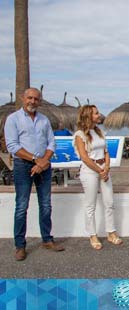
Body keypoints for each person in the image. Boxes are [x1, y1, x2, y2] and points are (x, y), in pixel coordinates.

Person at [4, 88, 64, 261]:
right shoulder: (13, 119)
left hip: (43, 166)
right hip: (23, 166)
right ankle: (20, 245)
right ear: (23, 98)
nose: (32, 101)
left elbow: (51, 143)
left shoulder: (44, 120)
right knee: (22, 206)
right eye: (29, 98)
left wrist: (43, 161)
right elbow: (13, 146)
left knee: (46, 204)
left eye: (36, 99)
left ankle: (47, 239)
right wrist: (35, 160)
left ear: (40, 101)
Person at [74, 105, 121, 250]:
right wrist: (100, 171)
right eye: (96, 113)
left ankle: (111, 232)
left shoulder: (99, 132)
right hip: (90, 171)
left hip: (103, 170)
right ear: (88, 116)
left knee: (109, 202)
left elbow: (106, 152)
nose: (99, 115)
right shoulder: (80, 135)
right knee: (90, 205)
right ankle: (92, 235)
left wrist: (106, 168)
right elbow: (84, 157)